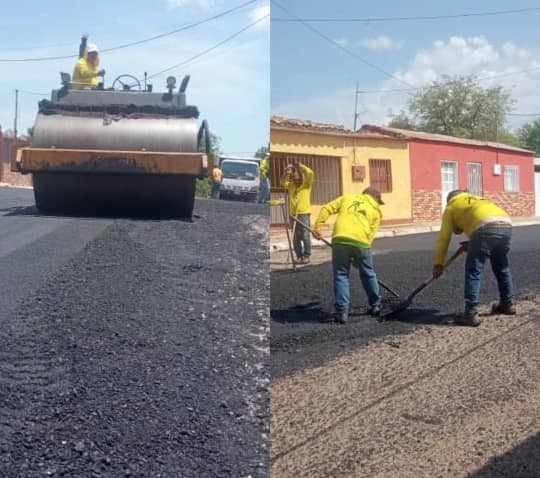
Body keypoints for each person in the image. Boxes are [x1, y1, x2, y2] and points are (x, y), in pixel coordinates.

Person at [432, 190, 516, 327]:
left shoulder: (451, 207)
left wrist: (438, 264)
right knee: (502, 267)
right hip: (506, 224)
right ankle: (507, 303)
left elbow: (444, 238)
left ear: (449, 199)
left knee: (473, 270)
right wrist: (473, 243)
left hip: (484, 227)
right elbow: (479, 220)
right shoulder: (476, 199)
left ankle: (470, 313)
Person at [313, 187, 384, 324]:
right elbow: (370, 236)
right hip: (362, 243)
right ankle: (375, 305)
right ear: (375, 198)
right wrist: (359, 258)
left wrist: (318, 227)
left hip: (340, 239)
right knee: (368, 273)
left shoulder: (347, 198)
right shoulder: (376, 211)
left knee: (341, 275)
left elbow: (326, 209)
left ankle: (342, 312)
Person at [280, 161, 314, 264]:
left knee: (305, 235)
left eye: (296, 172)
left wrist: (301, 166)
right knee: (295, 237)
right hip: (293, 214)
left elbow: (310, 173)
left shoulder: (306, 184)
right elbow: (282, 182)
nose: (294, 175)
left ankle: (306, 256)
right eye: (293, 173)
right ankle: (299, 256)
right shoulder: (291, 185)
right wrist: (286, 171)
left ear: (300, 174)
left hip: (303, 213)